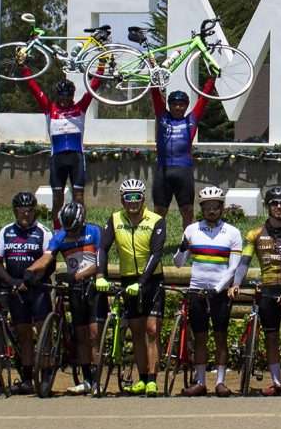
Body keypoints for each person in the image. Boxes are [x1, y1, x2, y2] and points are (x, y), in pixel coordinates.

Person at [239, 185, 281, 396]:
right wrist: (235, 283)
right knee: (272, 337)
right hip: (268, 291)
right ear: (267, 206)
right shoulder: (255, 234)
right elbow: (244, 262)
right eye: (274, 203)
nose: (278, 207)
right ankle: (277, 383)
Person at [175, 186, 243, 397]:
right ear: (202, 209)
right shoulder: (192, 230)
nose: (212, 211)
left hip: (219, 292)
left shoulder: (232, 232)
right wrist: (183, 248)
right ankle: (201, 381)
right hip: (197, 289)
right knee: (201, 337)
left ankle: (220, 382)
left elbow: (233, 267)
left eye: (216, 207)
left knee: (220, 336)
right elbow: (178, 264)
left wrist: (217, 288)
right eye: (208, 207)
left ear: (222, 208)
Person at [102, 177, 167, 396]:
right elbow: (103, 248)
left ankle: (152, 380)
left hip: (151, 280)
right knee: (137, 331)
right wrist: (101, 276)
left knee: (152, 330)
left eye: (136, 197)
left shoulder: (156, 220)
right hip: (128, 278)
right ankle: (141, 377)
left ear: (143, 199)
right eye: (128, 198)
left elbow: (156, 254)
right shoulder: (114, 219)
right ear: (121, 199)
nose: (132, 202)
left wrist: (142, 282)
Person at [0, 191, 52, 394]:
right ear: (15, 211)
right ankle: (26, 379)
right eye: (21, 211)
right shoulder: (6, 231)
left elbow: (47, 262)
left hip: (38, 289)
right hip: (15, 289)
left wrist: (31, 280)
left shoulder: (43, 232)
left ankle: (45, 375)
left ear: (34, 211)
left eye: (29, 210)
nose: (25, 214)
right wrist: (11, 282)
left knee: (43, 332)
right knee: (24, 333)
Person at [22, 65, 104, 213]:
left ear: (72, 95)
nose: (65, 99)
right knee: (57, 198)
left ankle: (80, 230)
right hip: (57, 159)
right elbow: (34, 88)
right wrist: (24, 67)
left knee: (79, 198)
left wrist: (102, 64)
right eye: (62, 96)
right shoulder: (49, 108)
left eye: (68, 96)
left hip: (76, 158)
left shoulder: (80, 108)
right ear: (57, 95)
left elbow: (94, 87)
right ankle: (57, 231)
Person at [48, 201, 105, 396]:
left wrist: (78, 276)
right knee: (80, 335)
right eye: (68, 230)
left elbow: (99, 262)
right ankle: (87, 379)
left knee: (94, 334)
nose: (71, 234)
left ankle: (97, 380)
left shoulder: (94, 231)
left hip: (93, 288)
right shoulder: (60, 236)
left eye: (74, 229)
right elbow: (48, 257)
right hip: (75, 289)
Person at [151, 82, 215, 228]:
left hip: (183, 171)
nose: (178, 107)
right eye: (174, 104)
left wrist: (212, 79)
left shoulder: (191, 119)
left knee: (187, 210)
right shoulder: (162, 116)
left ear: (186, 106)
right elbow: (155, 95)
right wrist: (154, 80)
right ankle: (157, 243)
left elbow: (204, 99)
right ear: (169, 105)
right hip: (163, 170)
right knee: (159, 211)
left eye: (182, 104)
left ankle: (186, 244)